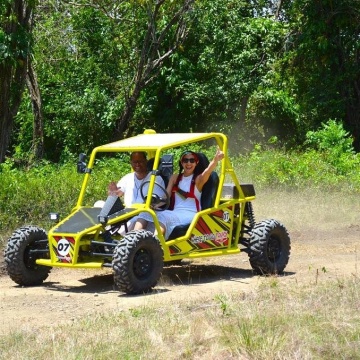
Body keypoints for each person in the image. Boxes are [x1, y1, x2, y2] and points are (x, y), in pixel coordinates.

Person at [134, 148, 224, 239]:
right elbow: (167, 197)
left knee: (164, 217)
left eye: (192, 160)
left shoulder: (198, 179)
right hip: (175, 212)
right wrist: (155, 206)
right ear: (181, 162)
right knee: (145, 213)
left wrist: (215, 160)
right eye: (185, 160)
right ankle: (134, 239)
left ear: (196, 163)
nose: (188, 163)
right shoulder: (174, 178)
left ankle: (155, 243)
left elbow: (208, 171)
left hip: (190, 214)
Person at [96, 151, 165, 234]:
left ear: (146, 161)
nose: (137, 164)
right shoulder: (128, 177)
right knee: (98, 203)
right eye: (135, 162)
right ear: (131, 163)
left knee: (126, 227)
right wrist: (113, 192)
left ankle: (111, 236)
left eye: (140, 161)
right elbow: (118, 193)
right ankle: (100, 233)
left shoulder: (156, 178)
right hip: (126, 212)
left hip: (140, 215)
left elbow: (156, 201)